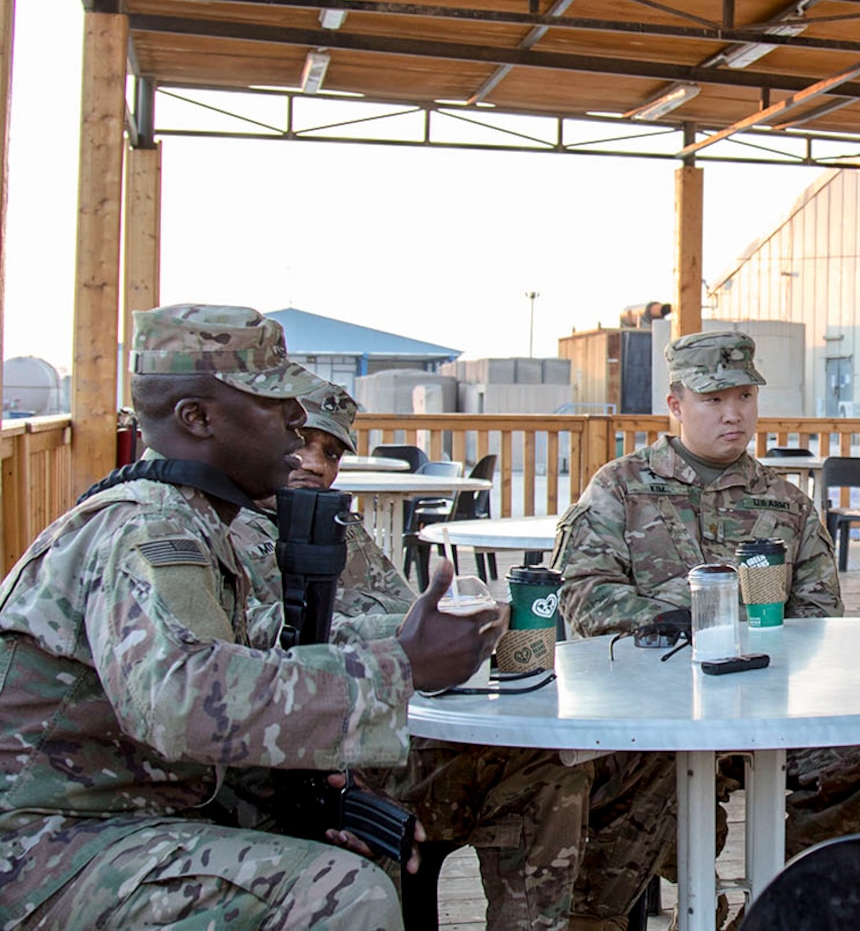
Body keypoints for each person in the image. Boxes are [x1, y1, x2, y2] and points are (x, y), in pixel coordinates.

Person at [0, 305, 499, 930]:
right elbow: (182, 698)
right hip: (48, 848)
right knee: (343, 893)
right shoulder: (145, 527)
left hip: (139, 811)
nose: (297, 422)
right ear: (197, 418)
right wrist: (399, 665)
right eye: (275, 405)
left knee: (360, 844)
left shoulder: (196, 519)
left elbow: (249, 645)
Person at [554, 329, 860, 920]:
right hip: (652, 711)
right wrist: (680, 622)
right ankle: (678, 900)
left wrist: (770, 650)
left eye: (743, 396)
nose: (733, 414)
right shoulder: (621, 487)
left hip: (766, 707)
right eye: (713, 399)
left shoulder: (786, 503)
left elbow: (821, 616)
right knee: (636, 792)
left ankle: (784, 900)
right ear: (676, 404)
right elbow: (582, 596)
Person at [226, 380, 593, 931]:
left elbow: (411, 609)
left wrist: (464, 621)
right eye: (301, 440)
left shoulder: (339, 527)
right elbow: (259, 641)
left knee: (549, 764)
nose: (314, 462)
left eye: (330, 452)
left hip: (388, 748)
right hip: (287, 772)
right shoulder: (223, 526)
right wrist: (402, 636)